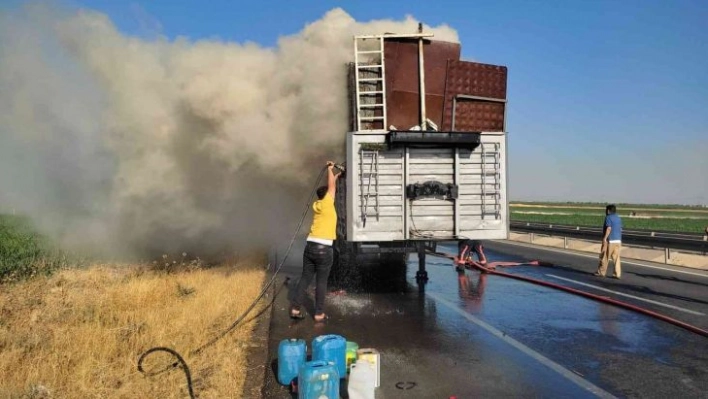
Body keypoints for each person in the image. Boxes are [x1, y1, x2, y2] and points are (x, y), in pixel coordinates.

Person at [290, 161, 341, 321]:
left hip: (310, 246)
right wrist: (330, 168)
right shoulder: (327, 203)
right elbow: (331, 187)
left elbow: (331, 185)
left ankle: (295, 309)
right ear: (327, 196)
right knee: (321, 281)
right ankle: (319, 313)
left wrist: (337, 176)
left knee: (305, 278)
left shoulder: (318, 204)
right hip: (324, 249)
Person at [595, 204, 623, 279]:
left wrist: (605, 238)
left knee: (605, 256)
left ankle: (601, 272)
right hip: (618, 240)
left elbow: (609, 228)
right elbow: (620, 229)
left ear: (608, 210)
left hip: (610, 240)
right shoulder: (618, 218)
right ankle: (617, 274)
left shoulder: (608, 217)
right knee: (616, 258)